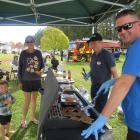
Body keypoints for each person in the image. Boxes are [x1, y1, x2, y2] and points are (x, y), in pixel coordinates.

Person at [81, 9, 140, 140]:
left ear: (139, 24)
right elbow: (131, 77)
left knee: (99, 110)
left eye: (127, 26)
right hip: (134, 120)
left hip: (138, 123)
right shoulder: (134, 46)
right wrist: (113, 82)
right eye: (119, 29)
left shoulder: (137, 46)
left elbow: (124, 83)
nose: (123, 31)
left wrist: (102, 118)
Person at [83, 33, 118, 116]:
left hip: (103, 87)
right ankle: (93, 122)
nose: (92, 45)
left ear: (101, 43)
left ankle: (100, 126)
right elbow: (93, 69)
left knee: (100, 110)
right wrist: (88, 74)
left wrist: (111, 85)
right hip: (94, 85)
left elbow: (115, 74)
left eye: (94, 43)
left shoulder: (107, 55)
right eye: (91, 43)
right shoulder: (93, 55)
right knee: (94, 107)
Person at [18, 35, 44, 128]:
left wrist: (41, 71)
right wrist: (20, 81)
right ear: (26, 43)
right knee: (27, 101)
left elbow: (42, 66)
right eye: (28, 42)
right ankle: (23, 119)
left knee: (34, 100)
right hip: (26, 80)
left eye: (31, 42)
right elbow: (20, 68)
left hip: (36, 80)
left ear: (34, 42)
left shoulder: (39, 53)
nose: (30, 44)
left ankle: (32, 117)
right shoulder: (23, 53)